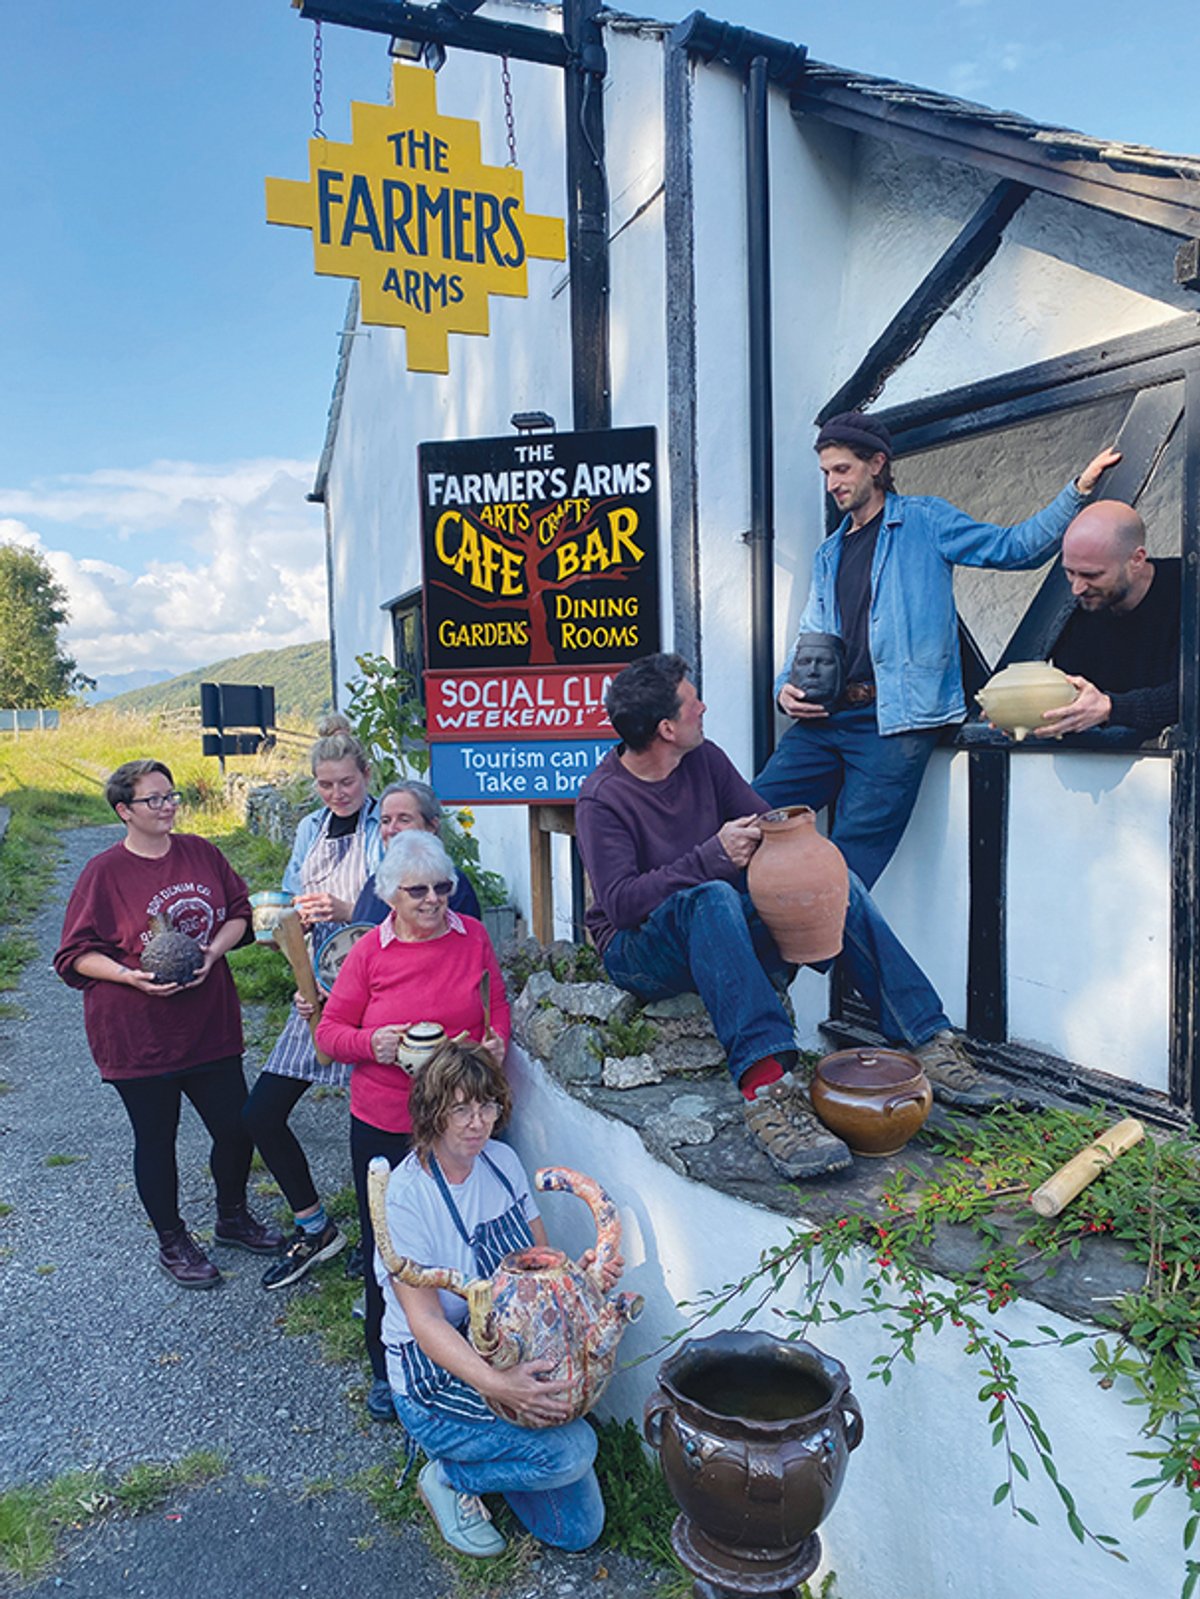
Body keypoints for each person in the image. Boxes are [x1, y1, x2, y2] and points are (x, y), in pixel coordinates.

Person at [575, 655, 995, 1182]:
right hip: (640, 951)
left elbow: (766, 822)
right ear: (665, 728)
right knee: (711, 897)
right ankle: (768, 1089)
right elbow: (621, 904)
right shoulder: (602, 798)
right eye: (692, 701)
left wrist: (797, 853)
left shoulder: (706, 760)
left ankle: (926, 1038)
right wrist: (712, 856)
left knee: (833, 880)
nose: (703, 707)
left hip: (716, 928)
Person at [754, 411, 1122, 885]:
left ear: (876, 464)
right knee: (749, 819)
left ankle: (786, 958)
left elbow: (1015, 548)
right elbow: (812, 631)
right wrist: (785, 686)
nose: (832, 483)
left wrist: (1078, 491)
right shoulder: (831, 553)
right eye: (826, 472)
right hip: (826, 720)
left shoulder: (925, 521)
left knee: (846, 871)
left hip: (897, 725)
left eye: (842, 469)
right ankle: (737, 944)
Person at [53, 760, 283, 1288]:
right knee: (156, 1139)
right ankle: (173, 1241)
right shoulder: (104, 873)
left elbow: (241, 912)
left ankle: (231, 1216)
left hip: (208, 1024)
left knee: (236, 1126)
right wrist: (131, 976)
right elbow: (74, 954)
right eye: (154, 800)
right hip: (138, 1034)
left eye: (171, 796)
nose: (167, 807)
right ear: (124, 812)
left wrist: (211, 952)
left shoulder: (200, 851)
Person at [376, 1040, 607, 1559]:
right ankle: (450, 1475)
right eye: (460, 1108)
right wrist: (503, 1387)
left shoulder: (501, 1162)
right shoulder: (406, 1197)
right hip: (433, 1373)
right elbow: (426, 1322)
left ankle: (496, 1460)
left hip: (506, 1345)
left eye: (486, 1106)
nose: (477, 1122)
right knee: (575, 1450)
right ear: (432, 1113)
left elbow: (539, 1264)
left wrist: (586, 1276)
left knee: (578, 1531)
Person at [315, 829, 509, 1425]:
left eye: (442, 888)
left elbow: (495, 1003)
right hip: (386, 1118)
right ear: (390, 896)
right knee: (389, 1250)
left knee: (473, 1234)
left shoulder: (471, 936)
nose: (433, 900)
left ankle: (477, 1350)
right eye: (417, 890)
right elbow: (329, 1035)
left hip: (458, 1120)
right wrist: (372, 1043)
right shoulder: (370, 952)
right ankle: (386, 1366)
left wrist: (495, 1043)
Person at [244, 714, 382, 1291]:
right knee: (261, 1113)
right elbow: (285, 910)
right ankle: (316, 1226)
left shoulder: (387, 825)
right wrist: (303, 978)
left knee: (370, 1129)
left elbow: (405, 907)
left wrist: (348, 909)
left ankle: (380, 1242)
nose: (337, 794)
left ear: (367, 775)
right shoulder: (310, 830)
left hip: (378, 991)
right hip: (319, 990)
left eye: (346, 783)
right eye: (326, 785)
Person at [1035, 500, 1179, 745]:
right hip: (1096, 766)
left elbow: (1191, 694)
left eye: (1092, 575)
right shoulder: (1075, 610)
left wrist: (1112, 708)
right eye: (1070, 572)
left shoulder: (1187, 590)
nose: (1077, 588)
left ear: (1137, 559)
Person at [351, 780, 481, 924]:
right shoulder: (374, 884)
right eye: (386, 821)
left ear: (432, 827)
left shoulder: (450, 884)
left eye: (404, 820)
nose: (391, 829)